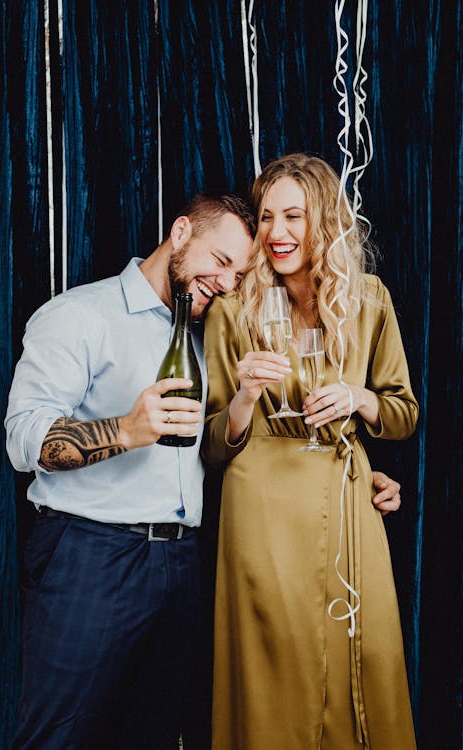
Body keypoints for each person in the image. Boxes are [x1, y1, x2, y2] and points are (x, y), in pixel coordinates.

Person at [4, 193, 254, 750]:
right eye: (221, 261)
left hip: (182, 563)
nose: (229, 283)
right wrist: (125, 429)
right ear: (182, 232)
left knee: (156, 736)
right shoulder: (80, 314)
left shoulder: (203, 334)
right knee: (58, 739)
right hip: (89, 558)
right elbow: (25, 441)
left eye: (239, 273)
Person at [202, 153, 418, 749]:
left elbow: (403, 414)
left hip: (348, 506)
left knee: (365, 655)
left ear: (323, 221)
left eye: (293, 216)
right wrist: (245, 394)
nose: (276, 233)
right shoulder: (230, 308)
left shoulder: (368, 299)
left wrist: (359, 398)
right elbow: (213, 447)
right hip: (261, 508)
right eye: (267, 216)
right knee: (277, 670)